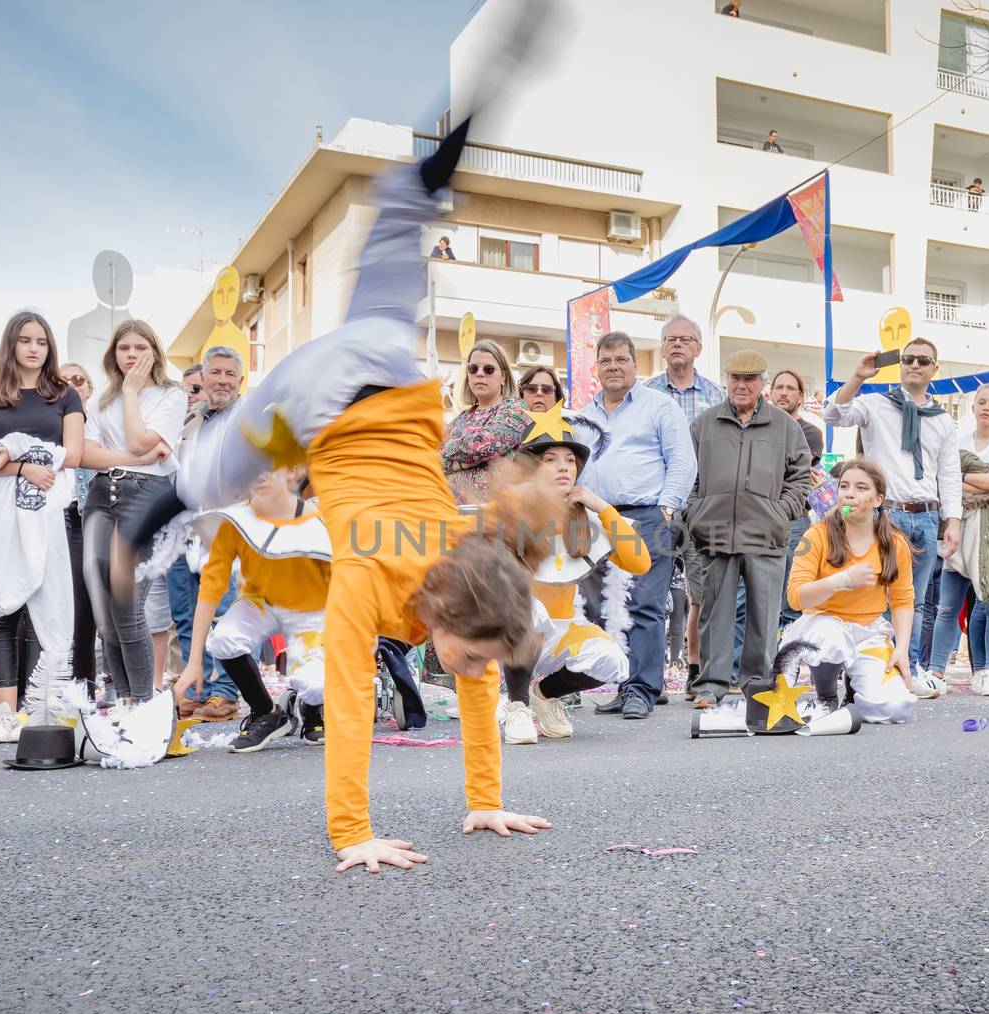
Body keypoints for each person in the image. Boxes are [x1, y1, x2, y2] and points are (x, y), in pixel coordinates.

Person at [150, 126, 556, 873]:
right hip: (324, 404)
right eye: (471, 659)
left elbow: (478, 675)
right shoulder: (372, 579)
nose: (473, 674)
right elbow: (345, 697)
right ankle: (152, 506)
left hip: (394, 375)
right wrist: (352, 832)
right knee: (206, 478)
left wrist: (486, 797)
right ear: (452, 615)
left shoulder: (472, 581)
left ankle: (419, 182)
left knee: (392, 262)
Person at [0, 312, 83, 741]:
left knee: (43, 605)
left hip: (52, 514)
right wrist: (22, 469)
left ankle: (40, 709)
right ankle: (4, 712)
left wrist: (22, 461)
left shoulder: (65, 395)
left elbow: (72, 453)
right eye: (25, 340)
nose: (34, 348)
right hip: (0, 512)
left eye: (41, 341)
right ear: (11, 345)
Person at [824, 338, 963, 695]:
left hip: (926, 516)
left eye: (923, 360)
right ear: (900, 365)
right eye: (908, 359)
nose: (915, 364)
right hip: (887, 514)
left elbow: (948, 473)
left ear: (934, 369)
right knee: (875, 597)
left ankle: (906, 668)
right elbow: (833, 414)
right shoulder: (875, 403)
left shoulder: (943, 420)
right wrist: (858, 376)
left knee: (914, 601)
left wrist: (954, 520)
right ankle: (872, 671)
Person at [501, 412, 648, 744]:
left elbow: (639, 563)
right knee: (528, 607)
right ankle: (518, 706)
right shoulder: (508, 510)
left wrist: (603, 508)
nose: (564, 466)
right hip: (506, 630)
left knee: (612, 660)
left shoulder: (585, 517)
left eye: (570, 460)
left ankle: (544, 695)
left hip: (561, 630)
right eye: (550, 459)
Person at [685, 350, 809, 709]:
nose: (741, 385)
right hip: (715, 531)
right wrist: (696, 513)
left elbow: (800, 476)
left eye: (749, 379)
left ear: (761, 384)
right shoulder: (705, 424)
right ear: (727, 380)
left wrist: (781, 511)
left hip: (766, 532)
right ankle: (710, 684)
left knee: (764, 612)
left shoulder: (785, 425)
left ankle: (758, 684)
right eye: (735, 378)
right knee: (714, 612)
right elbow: (687, 475)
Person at [579, 331, 695, 719]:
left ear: (634, 364)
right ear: (596, 368)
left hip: (645, 516)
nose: (613, 367)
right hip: (596, 519)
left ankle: (644, 689)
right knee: (605, 606)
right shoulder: (585, 414)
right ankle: (625, 684)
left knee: (644, 604)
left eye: (621, 360)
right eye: (606, 361)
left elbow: (682, 460)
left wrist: (666, 509)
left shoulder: (658, 407)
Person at [177, 467, 330, 752]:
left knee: (313, 682)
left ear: (293, 471)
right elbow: (212, 584)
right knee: (223, 639)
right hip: (259, 603)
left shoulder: (315, 521)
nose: (258, 475)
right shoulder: (236, 521)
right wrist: (194, 662)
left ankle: (312, 708)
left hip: (309, 608)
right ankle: (267, 712)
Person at [80, 320, 184, 705]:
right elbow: (87, 456)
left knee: (127, 604)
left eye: (140, 348)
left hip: (145, 495)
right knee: (104, 609)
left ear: (154, 352)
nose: (132, 355)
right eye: (124, 348)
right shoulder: (97, 401)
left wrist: (130, 393)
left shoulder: (170, 396)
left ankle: (142, 701)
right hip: (101, 494)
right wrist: (131, 457)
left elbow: (145, 439)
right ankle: (124, 700)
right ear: (113, 354)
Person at [782, 458, 917, 724]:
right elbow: (796, 596)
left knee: (895, 707)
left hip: (868, 630)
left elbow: (902, 601)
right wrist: (841, 581)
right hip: (821, 625)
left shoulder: (894, 542)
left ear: (878, 500)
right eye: (844, 486)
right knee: (831, 636)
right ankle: (826, 697)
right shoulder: (817, 535)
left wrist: (901, 648)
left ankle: (855, 689)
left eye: (861, 488)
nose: (849, 493)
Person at [927, 382, 989, 697]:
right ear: (973, 406)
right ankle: (936, 671)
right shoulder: (957, 442)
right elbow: (946, 484)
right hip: (958, 525)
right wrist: (980, 484)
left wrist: (961, 478)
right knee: (946, 606)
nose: (986, 407)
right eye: (981, 402)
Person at [645, 315, 724, 688]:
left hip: (700, 506)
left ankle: (698, 672)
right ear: (661, 348)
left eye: (684, 339)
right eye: (670, 339)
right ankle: (645, 680)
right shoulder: (643, 394)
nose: (677, 344)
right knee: (648, 595)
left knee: (701, 592)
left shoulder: (716, 396)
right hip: (653, 505)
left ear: (698, 348)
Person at [168, 345, 244, 718]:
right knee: (184, 613)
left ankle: (227, 694)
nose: (223, 380)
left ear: (240, 381)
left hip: (224, 527)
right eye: (216, 373)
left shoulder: (247, 420)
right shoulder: (189, 420)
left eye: (230, 374)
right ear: (203, 377)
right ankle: (197, 689)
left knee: (223, 611)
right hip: (182, 527)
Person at [441, 339, 530, 504]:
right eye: (473, 368)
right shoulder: (461, 418)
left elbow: (483, 445)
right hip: (453, 515)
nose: (479, 374)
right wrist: (462, 463)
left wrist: (453, 465)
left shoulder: (517, 409)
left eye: (488, 369)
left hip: (496, 517)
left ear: (503, 376)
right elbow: (434, 460)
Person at [770, 368, 824, 627]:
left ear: (801, 397)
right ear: (769, 393)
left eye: (790, 388)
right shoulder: (756, 426)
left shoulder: (810, 433)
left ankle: (787, 661)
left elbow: (795, 468)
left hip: (794, 520)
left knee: (791, 597)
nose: (783, 392)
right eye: (779, 387)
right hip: (758, 518)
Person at [59, 362, 99, 688]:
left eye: (78, 379)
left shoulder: (98, 424)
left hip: (89, 517)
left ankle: (83, 684)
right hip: (58, 516)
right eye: (64, 380)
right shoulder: (49, 424)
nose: (72, 384)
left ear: (90, 388)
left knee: (86, 605)